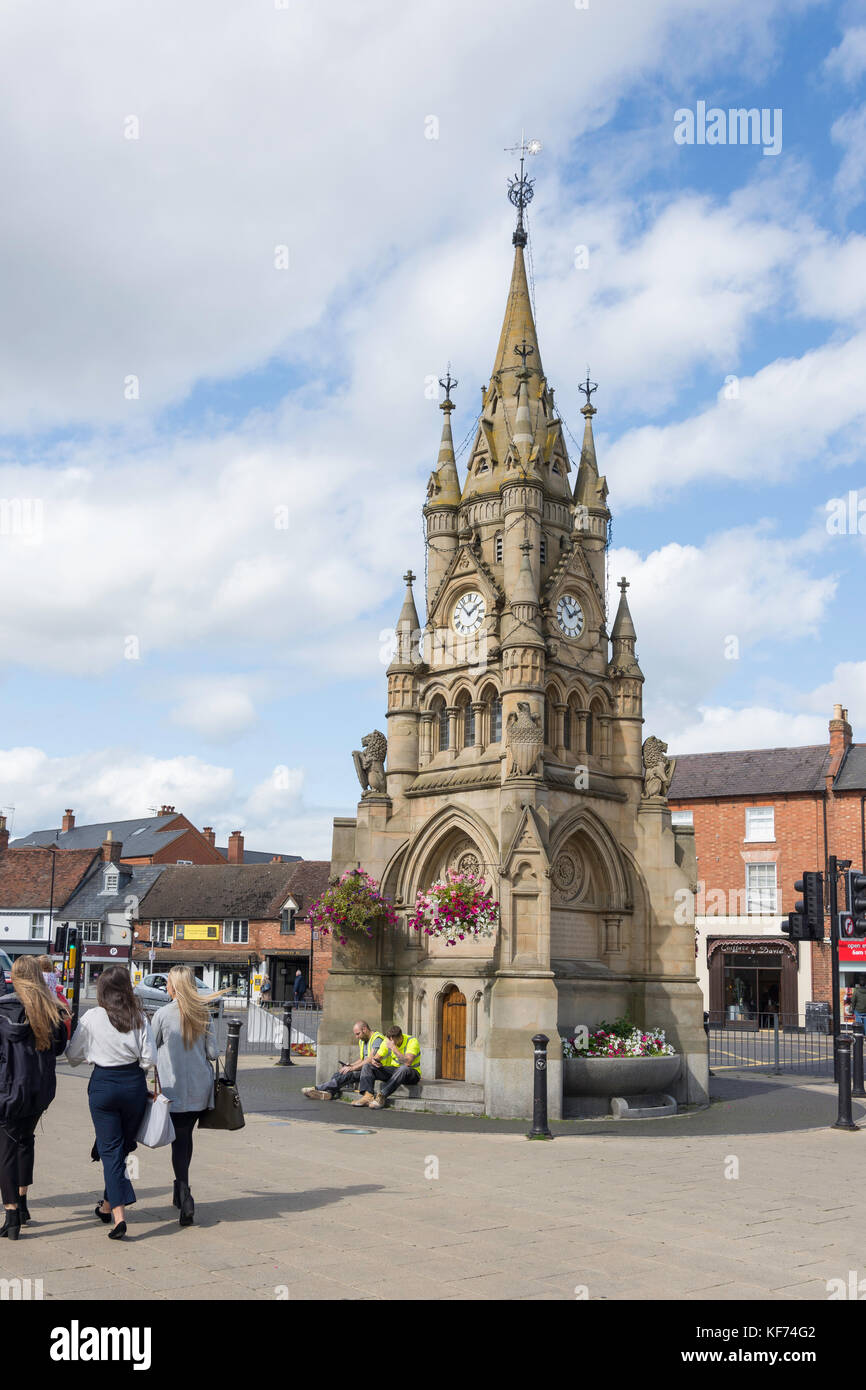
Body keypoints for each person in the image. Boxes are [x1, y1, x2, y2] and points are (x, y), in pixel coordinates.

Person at [67, 965, 156, 1241]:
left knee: (112, 1150)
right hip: (132, 1085)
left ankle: (118, 1217)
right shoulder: (139, 1016)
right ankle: (107, 1206)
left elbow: (72, 1054)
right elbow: (149, 1058)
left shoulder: (92, 1016)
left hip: (104, 1084)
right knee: (121, 1147)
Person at [0, 957, 67, 1240]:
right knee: (25, 1141)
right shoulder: (52, 1009)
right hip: (40, 1090)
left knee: (5, 1152)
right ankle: (24, 1203)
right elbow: (61, 1047)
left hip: (9, 1090)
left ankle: (12, 1213)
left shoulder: (3, 1008)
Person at [152, 966, 221, 1228]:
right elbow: (213, 1052)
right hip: (199, 1088)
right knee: (185, 1138)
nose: (166, 987)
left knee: (179, 1142)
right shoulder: (203, 1013)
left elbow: (151, 1049)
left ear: (175, 986)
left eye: (168, 982)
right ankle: (179, 1191)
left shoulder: (161, 1014)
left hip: (174, 1087)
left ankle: (185, 1193)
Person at [301, 1020, 385, 1101]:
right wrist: (350, 1065)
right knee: (340, 1073)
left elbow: (370, 1059)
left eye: (358, 1034)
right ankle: (329, 1094)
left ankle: (317, 1088)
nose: (357, 1037)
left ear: (364, 1029)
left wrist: (352, 1068)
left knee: (349, 1074)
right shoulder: (363, 1040)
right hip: (365, 1068)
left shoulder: (377, 1039)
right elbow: (362, 1059)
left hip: (377, 1069)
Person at [354, 1023, 422, 1110]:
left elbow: (408, 1062)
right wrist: (375, 1061)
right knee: (368, 1065)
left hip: (412, 1073)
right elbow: (377, 1057)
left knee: (403, 1068)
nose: (390, 1042)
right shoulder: (388, 1040)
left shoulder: (412, 1041)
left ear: (400, 1037)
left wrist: (394, 1048)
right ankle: (367, 1096)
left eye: (393, 1041)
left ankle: (382, 1096)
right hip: (394, 1071)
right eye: (389, 1040)